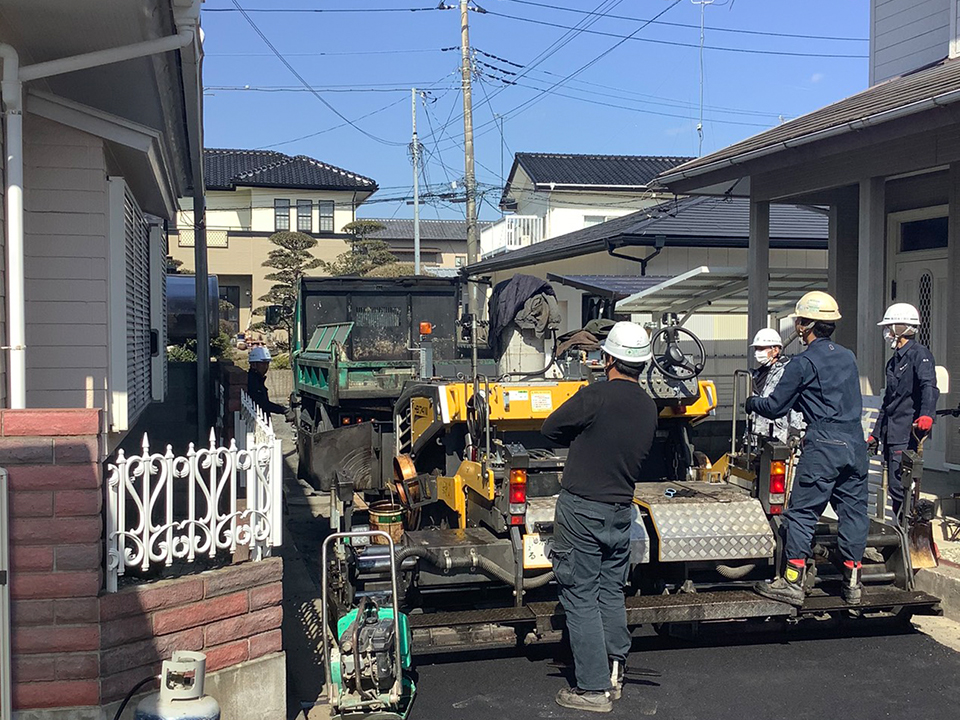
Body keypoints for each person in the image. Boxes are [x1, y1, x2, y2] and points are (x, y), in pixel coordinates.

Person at [541, 321, 658, 713]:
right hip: (619, 511)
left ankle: (592, 689)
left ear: (608, 357)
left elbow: (550, 426)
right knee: (610, 591)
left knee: (579, 595)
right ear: (640, 364)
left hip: (582, 509)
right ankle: (614, 672)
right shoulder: (648, 407)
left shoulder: (595, 396)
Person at [745, 291, 868, 606]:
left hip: (824, 444)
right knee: (853, 513)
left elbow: (774, 406)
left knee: (801, 513)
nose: (797, 326)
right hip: (855, 443)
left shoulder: (802, 362)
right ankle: (853, 583)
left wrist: (751, 402)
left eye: (799, 321)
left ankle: (792, 582)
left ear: (807, 325)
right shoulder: (848, 356)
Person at [868, 303, 939, 518]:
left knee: (903, 488)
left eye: (889, 328)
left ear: (900, 328)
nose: (886, 333)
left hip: (908, 432)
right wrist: (876, 434)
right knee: (894, 488)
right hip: (892, 432)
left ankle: (910, 532)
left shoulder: (920, 355)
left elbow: (929, 386)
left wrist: (926, 414)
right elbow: (888, 402)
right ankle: (902, 531)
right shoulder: (893, 362)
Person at [749, 328, 805, 445]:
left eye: (761, 348)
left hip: (779, 440)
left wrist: (795, 433)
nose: (757, 353)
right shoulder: (756, 375)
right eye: (756, 349)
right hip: (756, 440)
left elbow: (795, 404)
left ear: (775, 350)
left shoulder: (787, 371)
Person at [247, 346, 288, 416]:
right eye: (263, 364)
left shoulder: (258, 379)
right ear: (253, 365)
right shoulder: (252, 381)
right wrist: (282, 410)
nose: (266, 367)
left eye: (267, 363)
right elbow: (263, 404)